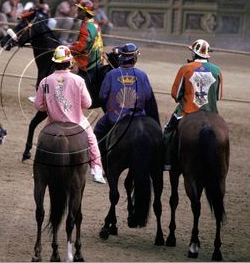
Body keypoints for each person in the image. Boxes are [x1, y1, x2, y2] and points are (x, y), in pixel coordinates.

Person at [34, 45, 106, 184]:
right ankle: (96, 169)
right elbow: (88, 103)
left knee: (42, 139)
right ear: (69, 62)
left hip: (53, 121)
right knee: (91, 140)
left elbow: (39, 106)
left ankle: (40, 167)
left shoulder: (45, 81)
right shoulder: (78, 80)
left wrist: (49, 106)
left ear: (54, 62)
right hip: (76, 121)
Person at [163, 39, 223, 171]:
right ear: (207, 55)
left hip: (187, 112)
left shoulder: (185, 69)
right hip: (211, 113)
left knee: (167, 130)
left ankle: (166, 162)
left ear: (194, 54)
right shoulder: (217, 70)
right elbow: (218, 96)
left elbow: (175, 93)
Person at [94, 43, 160, 155]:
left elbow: (102, 96)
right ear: (134, 58)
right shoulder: (142, 75)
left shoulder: (111, 74)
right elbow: (148, 96)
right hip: (138, 116)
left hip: (114, 118)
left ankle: (98, 161)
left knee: (97, 131)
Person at [69, 0, 104, 77]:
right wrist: (74, 44)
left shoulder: (86, 27)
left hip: (87, 61)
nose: (77, 12)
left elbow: (82, 47)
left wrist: (69, 47)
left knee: (63, 60)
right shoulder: (95, 24)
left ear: (83, 12)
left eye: (79, 10)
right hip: (97, 58)